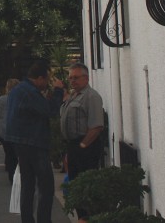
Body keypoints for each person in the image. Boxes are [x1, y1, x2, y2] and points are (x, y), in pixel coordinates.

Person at [5, 59, 64, 223]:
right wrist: (59, 91)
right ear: (39, 78)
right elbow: (50, 110)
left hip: (20, 143)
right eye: (47, 80)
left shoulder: (18, 90)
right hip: (34, 142)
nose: (47, 84)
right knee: (46, 186)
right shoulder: (29, 92)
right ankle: (44, 220)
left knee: (28, 184)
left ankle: (27, 219)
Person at [60, 62, 105, 222]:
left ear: (86, 78)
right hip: (73, 146)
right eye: (70, 78)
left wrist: (83, 145)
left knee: (86, 187)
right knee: (75, 186)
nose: (72, 81)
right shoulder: (73, 95)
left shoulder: (91, 96)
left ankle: (88, 218)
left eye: (76, 77)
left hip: (86, 147)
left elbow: (97, 126)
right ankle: (81, 218)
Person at [0, 78, 20, 182]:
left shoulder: (0, 100)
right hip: (17, 130)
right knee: (17, 153)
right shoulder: (21, 99)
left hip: (3, 131)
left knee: (9, 153)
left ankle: (11, 174)